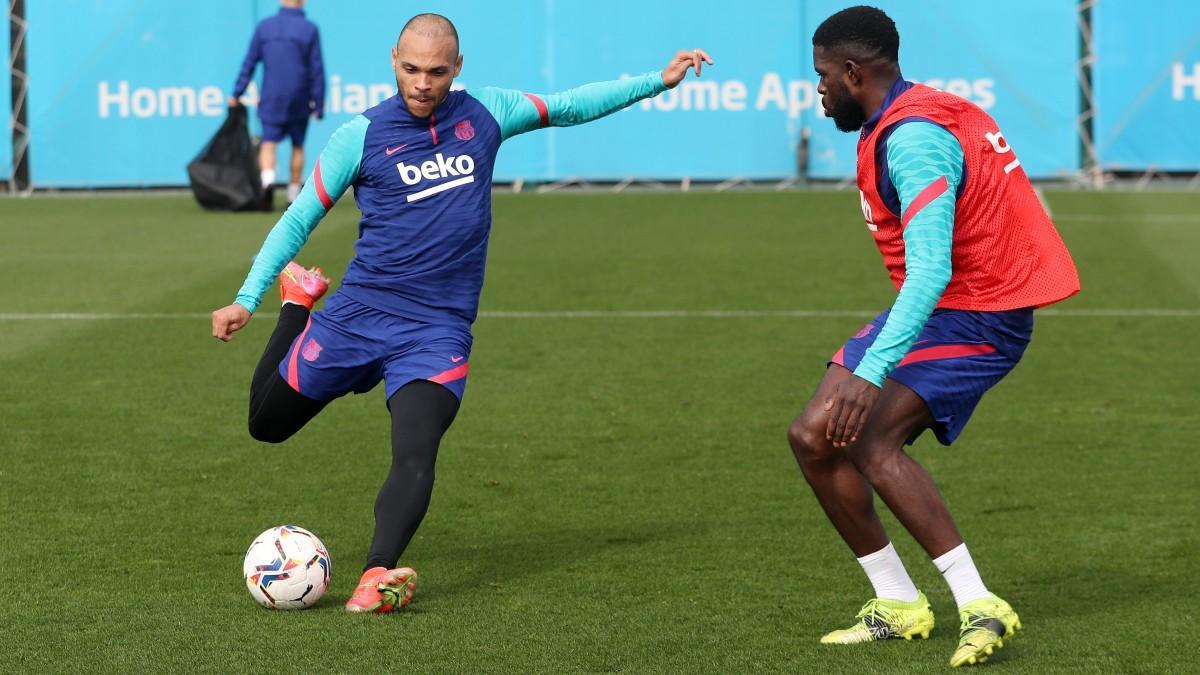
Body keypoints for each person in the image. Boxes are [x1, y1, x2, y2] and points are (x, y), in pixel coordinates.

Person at [211, 13, 712, 614]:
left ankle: (378, 573)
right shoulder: (361, 135)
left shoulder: (486, 113)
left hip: (436, 329)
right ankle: (299, 304)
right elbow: (299, 218)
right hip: (359, 313)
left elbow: (570, 105)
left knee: (417, 448)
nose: (423, 83)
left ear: (458, 68)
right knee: (266, 425)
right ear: (393, 59)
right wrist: (249, 298)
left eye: (437, 71)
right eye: (411, 69)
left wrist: (657, 80)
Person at [787, 5, 1079, 668]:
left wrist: (872, 370)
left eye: (823, 75)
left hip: (982, 313)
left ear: (854, 72)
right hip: (945, 304)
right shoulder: (906, 113)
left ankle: (979, 603)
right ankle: (897, 602)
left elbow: (931, 268)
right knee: (812, 437)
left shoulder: (914, 137)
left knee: (866, 434)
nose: (820, 89)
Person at [228, 0, 325, 206]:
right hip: (299, 97)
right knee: (298, 146)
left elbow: (249, 63)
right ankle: (292, 191)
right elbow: (316, 69)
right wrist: (319, 104)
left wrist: (236, 92)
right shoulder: (309, 29)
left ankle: (268, 180)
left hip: (272, 96)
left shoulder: (265, 27)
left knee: (268, 143)